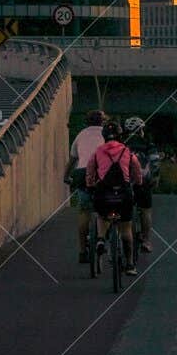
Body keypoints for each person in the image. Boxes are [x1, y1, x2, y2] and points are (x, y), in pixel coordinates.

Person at [86, 119, 144, 275]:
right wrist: (137, 185)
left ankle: (100, 239)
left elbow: (90, 173)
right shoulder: (127, 151)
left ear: (104, 136)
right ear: (120, 136)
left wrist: (91, 185)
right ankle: (130, 265)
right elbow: (137, 173)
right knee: (126, 228)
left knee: (101, 215)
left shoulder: (98, 152)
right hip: (124, 193)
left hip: (104, 193)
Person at [65, 110, 105, 264]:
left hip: (82, 173)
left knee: (83, 211)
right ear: (103, 122)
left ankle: (82, 251)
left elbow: (72, 160)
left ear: (86, 122)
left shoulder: (80, 135)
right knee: (104, 206)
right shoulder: (107, 134)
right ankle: (102, 237)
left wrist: (65, 177)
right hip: (101, 172)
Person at [125, 116, 160, 253]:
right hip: (143, 180)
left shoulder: (121, 143)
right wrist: (155, 178)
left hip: (125, 181)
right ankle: (146, 240)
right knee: (145, 210)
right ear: (141, 130)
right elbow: (155, 162)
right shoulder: (148, 143)